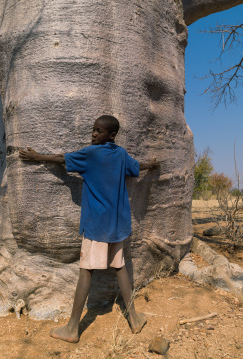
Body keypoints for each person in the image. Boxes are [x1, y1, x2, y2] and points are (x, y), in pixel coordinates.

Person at [19, 115, 159, 343]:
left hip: (97, 226)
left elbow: (61, 159)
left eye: (99, 131)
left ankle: (73, 328)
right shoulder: (121, 154)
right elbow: (136, 167)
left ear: (111, 135)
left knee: (86, 270)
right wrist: (151, 165)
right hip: (118, 226)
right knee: (120, 267)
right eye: (93, 130)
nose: (94, 134)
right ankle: (133, 318)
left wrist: (36, 157)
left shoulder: (91, 153)